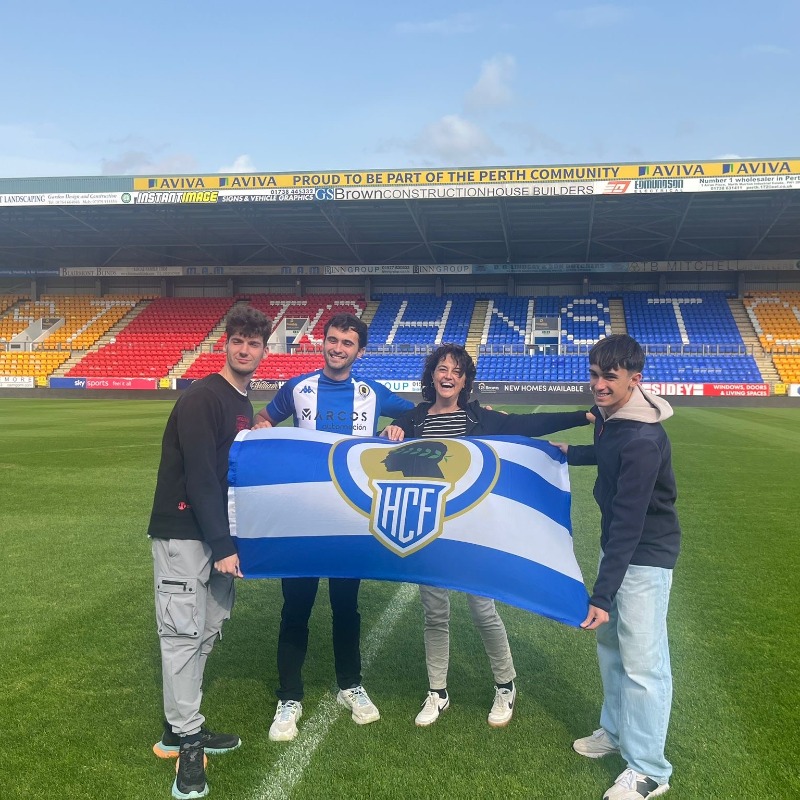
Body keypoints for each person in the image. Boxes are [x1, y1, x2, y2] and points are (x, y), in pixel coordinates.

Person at [381, 343, 593, 728]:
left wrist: (584, 415)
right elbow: (379, 455)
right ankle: (437, 692)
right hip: (430, 531)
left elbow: (529, 426)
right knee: (435, 613)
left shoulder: (480, 418)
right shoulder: (413, 420)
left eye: (456, 371)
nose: (447, 376)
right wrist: (387, 432)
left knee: (483, 610)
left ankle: (505, 685)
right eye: (441, 369)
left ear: (465, 381)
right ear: (432, 375)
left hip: (474, 531)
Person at [253, 312, 414, 742]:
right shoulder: (299, 388)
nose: (337, 348)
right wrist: (262, 434)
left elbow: (421, 413)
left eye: (347, 343)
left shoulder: (371, 393)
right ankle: (289, 697)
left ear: (360, 352)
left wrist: (402, 425)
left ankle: (350, 685)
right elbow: (264, 420)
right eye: (332, 339)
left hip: (348, 520)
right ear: (322, 342)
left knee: (346, 607)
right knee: (296, 608)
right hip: (301, 521)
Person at [148, 306, 273, 800]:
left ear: (265, 350)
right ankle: (187, 745)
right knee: (181, 633)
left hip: (219, 534)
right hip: (185, 533)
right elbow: (200, 475)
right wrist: (222, 545)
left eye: (254, 343)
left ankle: (180, 727)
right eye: (238, 340)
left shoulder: (242, 401)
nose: (245, 349)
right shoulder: (203, 397)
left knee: (207, 630)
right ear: (225, 343)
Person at [553, 334, 680, 800]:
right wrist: (572, 453)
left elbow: (629, 520)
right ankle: (615, 731)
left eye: (610, 376)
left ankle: (649, 770)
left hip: (644, 557)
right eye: (594, 374)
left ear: (634, 378)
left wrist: (602, 595)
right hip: (620, 551)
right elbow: (610, 459)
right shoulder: (612, 421)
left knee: (644, 665)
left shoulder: (644, 437)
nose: (599, 385)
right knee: (612, 651)